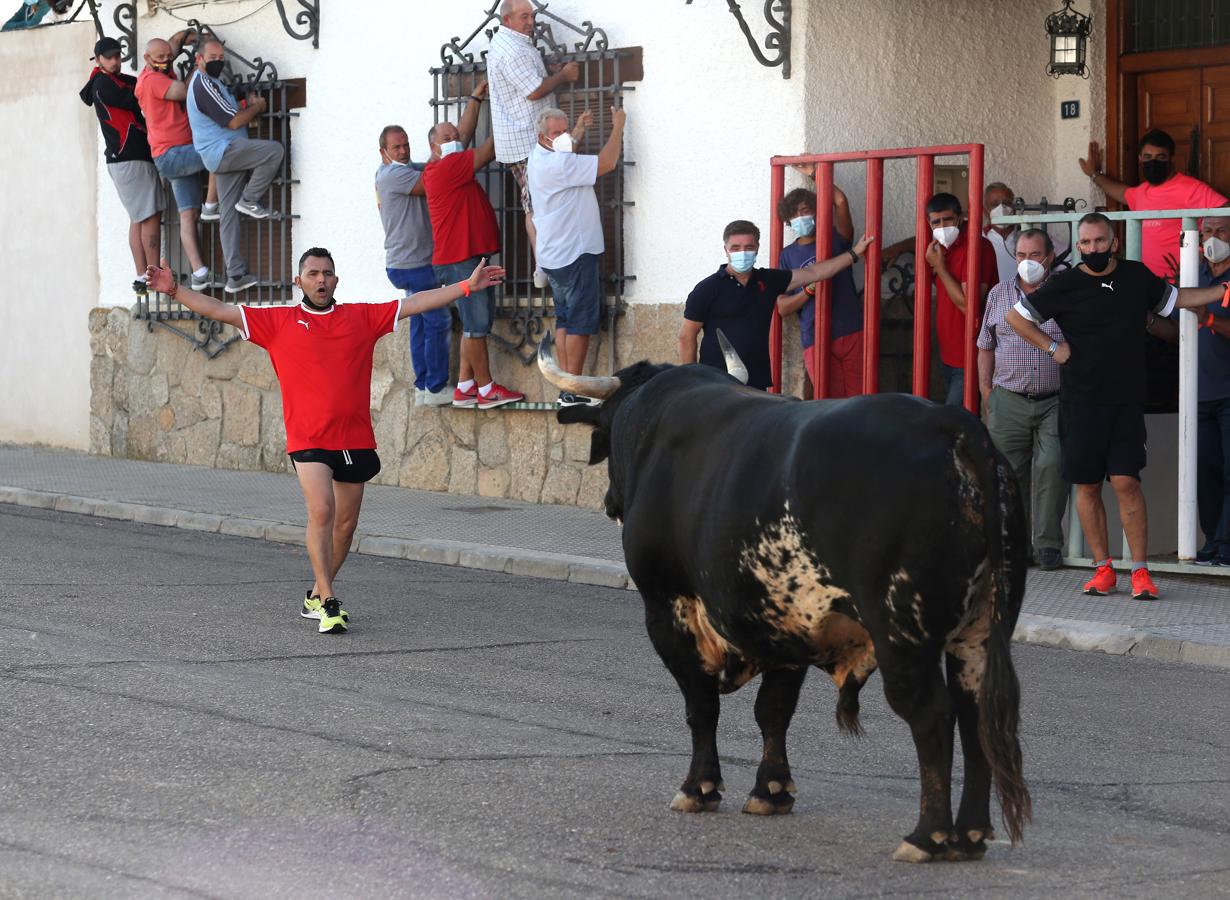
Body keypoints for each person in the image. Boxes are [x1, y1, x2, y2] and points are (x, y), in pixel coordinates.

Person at [143, 248, 506, 633]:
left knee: (345, 526)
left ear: (335, 280)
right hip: (308, 439)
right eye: (313, 273)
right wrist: (175, 290)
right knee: (322, 509)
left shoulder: (360, 318)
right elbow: (221, 310)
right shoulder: (279, 322)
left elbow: (415, 303)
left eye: (327, 273)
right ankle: (330, 602)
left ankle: (316, 593)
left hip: (353, 438)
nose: (321, 280)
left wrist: (466, 286)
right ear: (298, 281)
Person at [1007, 212, 1226, 600]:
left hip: (1125, 401)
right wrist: (1053, 348)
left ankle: (1139, 571)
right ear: (1078, 247)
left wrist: (1222, 290)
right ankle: (1103, 568)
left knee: (1127, 482)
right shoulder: (1066, 284)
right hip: (1079, 403)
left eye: (1100, 241)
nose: (1093, 249)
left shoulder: (1136, 276)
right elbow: (1016, 317)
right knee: (1087, 486)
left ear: (1114, 242)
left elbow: (1179, 299)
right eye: (1086, 243)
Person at [680, 220, 874, 392]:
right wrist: (693, 385)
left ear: (757, 247)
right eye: (736, 247)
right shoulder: (707, 289)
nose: (742, 252)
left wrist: (853, 253)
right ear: (726, 250)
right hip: (716, 385)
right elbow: (687, 336)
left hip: (756, 384)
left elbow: (814, 272)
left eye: (748, 247)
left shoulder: (768, 280)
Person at [423, 88, 525, 409]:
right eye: (447, 136)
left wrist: (476, 99)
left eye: (455, 135)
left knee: (472, 325)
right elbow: (488, 149)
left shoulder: (446, 163)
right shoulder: (447, 167)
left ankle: (465, 385)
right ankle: (486, 389)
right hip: (461, 261)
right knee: (478, 326)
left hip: (463, 258)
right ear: (433, 146)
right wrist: (514, 112)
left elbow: (464, 134)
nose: (455, 138)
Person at [977, 228, 1067, 570]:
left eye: (1034, 256)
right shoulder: (999, 295)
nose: (1027, 263)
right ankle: (1016, 545)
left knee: (1052, 466)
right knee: (1009, 474)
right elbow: (985, 345)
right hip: (1008, 398)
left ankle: (1047, 545)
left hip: (1055, 399)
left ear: (1050, 258)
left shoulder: (1062, 293)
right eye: (1021, 256)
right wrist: (987, 391)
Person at [527, 105, 622, 406]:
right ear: (543, 136)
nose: (563, 137)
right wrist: (618, 125)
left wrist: (577, 131)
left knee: (565, 320)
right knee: (579, 323)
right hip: (575, 253)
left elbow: (565, 149)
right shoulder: (558, 167)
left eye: (565, 130)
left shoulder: (538, 155)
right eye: (557, 133)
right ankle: (574, 391)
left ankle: (566, 386)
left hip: (554, 255)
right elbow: (607, 162)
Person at [487, 0, 579, 288]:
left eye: (532, 15)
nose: (531, 21)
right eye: (524, 16)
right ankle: (544, 265)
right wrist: (563, 76)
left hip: (527, 140)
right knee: (535, 207)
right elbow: (534, 90)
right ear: (507, 19)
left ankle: (547, 262)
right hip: (526, 142)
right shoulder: (512, 49)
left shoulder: (513, 44)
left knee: (540, 204)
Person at [186, 38, 284, 294]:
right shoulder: (203, 85)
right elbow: (232, 122)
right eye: (213, 58)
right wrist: (258, 107)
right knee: (274, 151)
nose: (218, 63)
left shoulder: (213, 83)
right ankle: (250, 199)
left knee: (227, 214)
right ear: (199, 60)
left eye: (221, 58)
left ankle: (235, 275)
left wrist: (245, 106)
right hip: (225, 151)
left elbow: (229, 113)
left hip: (224, 153)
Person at [134, 34, 224, 292]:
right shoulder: (151, 80)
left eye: (167, 57)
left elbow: (171, 45)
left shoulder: (161, 62)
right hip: (173, 154)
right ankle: (211, 205)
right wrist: (199, 66)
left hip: (176, 153)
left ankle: (199, 273)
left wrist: (191, 36)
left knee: (187, 215)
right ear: (147, 59)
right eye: (160, 58)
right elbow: (183, 92)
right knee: (216, 152)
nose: (166, 61)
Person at [1080, 130, 1228, 280]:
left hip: (1179, 282)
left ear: (1171, 159)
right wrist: (1094, 174)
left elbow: (1225, 210)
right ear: (1140, 158)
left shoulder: (1190, 188)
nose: (1153, 162)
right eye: (1147, 157)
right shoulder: (1140, 192)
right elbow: (1120, 192)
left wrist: (1201, 251)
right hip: (1146, 282)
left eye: (1160, 157)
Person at [80, 36, 163, 299]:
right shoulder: (104, 84)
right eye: (110, 57)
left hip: (125, 159)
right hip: (131, 158)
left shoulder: (111, 80)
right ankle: (154, 274)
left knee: (138, 218)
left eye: (118, 55)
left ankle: (143, 275)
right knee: (150, 216)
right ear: (99, 59)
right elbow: (137, 97)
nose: (116, 60)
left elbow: (135, 84)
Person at [375, 124, 452, 407]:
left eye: (406, 144)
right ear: (384, 152)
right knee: (438, 320)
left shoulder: (397, 169)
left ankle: (422, 386)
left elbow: (428, 167)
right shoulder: (394, 174)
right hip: (414, 264)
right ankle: (435, 387)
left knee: (420, 322)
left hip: (403, 264)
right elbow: (428, 182)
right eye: (397, 147)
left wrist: (443, 153)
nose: (404, 150)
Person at [774, 184, 862, 397]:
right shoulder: (787, 256)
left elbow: (840, 201)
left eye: (805, 211)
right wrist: (809, 290)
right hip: (814, 335)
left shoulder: (835, 238)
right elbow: (782, 307)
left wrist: (816, 173)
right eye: (794, 214)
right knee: (829, 401)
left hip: (851, 329)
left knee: (861, 399)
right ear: (787, 220)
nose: (800, 217)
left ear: (817, 210)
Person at [923, 192, 998, 406]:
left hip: (973, 353)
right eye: (936, 222)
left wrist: (940, 268)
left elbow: (968, 305)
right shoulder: (939, 248)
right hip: (947, 353)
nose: (942, 226)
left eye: (947, 219)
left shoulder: (977, 247)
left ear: (960, 217)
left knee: (953, 422)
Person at [1196, 215, 1230, 564]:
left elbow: (1202, 320)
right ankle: (1212, 541)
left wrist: (1207, 319)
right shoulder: (1194, 276)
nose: (1212, 238)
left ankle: (1225, 543)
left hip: (1228, 393)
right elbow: (1176, 330)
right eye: (1207, 230)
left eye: (1221, 231)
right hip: (1199, 394)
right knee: (1205, 471)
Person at [982, 181, 1070, 283]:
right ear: (985, 210)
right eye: (995, 204)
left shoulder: (1033, 237)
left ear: (1014, 207)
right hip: (998, 296)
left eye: (1006, 203)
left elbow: (1070, 258)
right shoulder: (981, 238)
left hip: (1031, 295)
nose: (1001, 208)